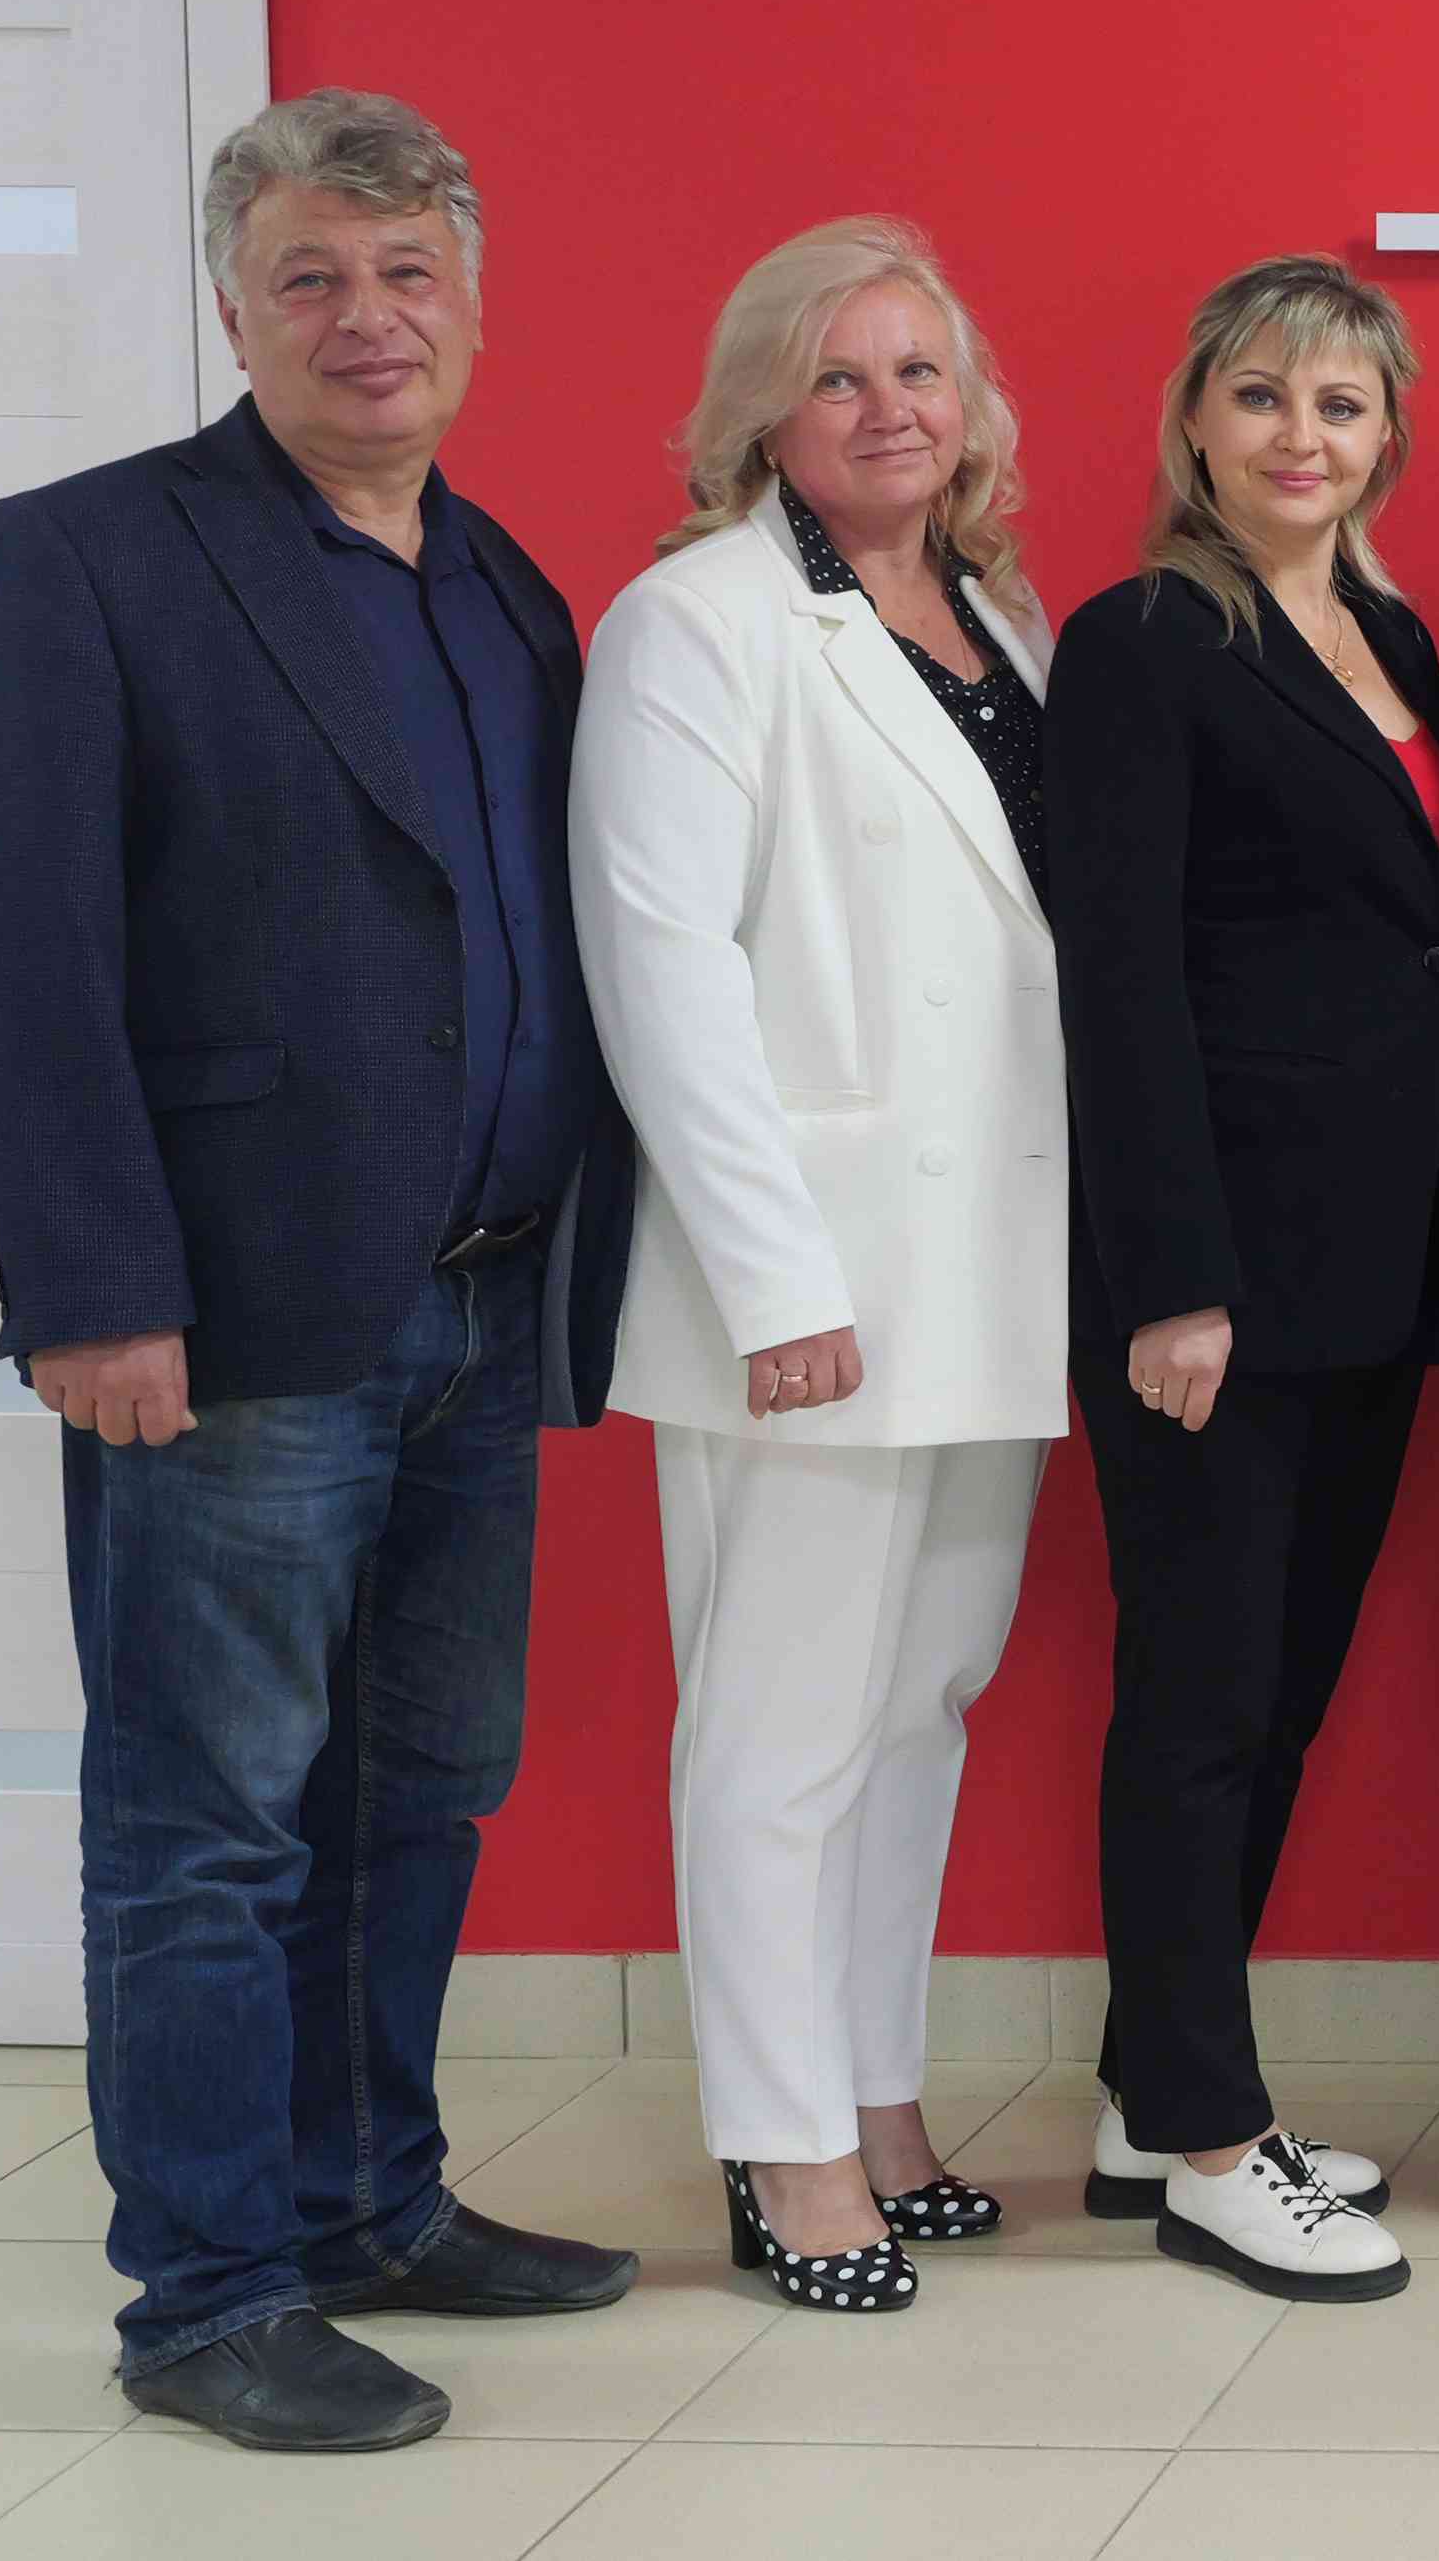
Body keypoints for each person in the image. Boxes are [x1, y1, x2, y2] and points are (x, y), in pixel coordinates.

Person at [0, 88, 644, 2449]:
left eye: (407, 272)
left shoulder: (506, 585)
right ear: (233, 307)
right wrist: (89, 1281)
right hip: (229, 1315)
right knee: (210, 1818)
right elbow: (21, 949)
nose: (368, 318)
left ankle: (364, 2200)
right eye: (313, 277)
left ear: (473, 303)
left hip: (481, 1299)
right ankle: (210, 2290)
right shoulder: (87, 555)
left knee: (421, 1783)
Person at [573, 219, 1064, 2312]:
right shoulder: (694, 622)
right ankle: (782, 2149)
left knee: (919, 1699)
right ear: (762, 410)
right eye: (839, 375)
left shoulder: (1001, 619)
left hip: (988, 1262)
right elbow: (660, 971)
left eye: (920, 371)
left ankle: (875, 2095)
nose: (887, 410)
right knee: (780, 1726)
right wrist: (775, 1282)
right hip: (811, 1283)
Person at [1048, 255, 1439, 2305]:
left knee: (1281, 1690)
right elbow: (1119, 975)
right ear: (1195, 422)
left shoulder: (1388, 631)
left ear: (1385, 434)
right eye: (1262, 396)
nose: (1302, 435)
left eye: (1341, 401)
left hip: (1373, 1255)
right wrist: (1171, 1279)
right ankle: (1217, 2147)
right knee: (1203, 1699)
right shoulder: (1140, 639)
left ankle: (1158, 2093)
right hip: (1214, 1271)